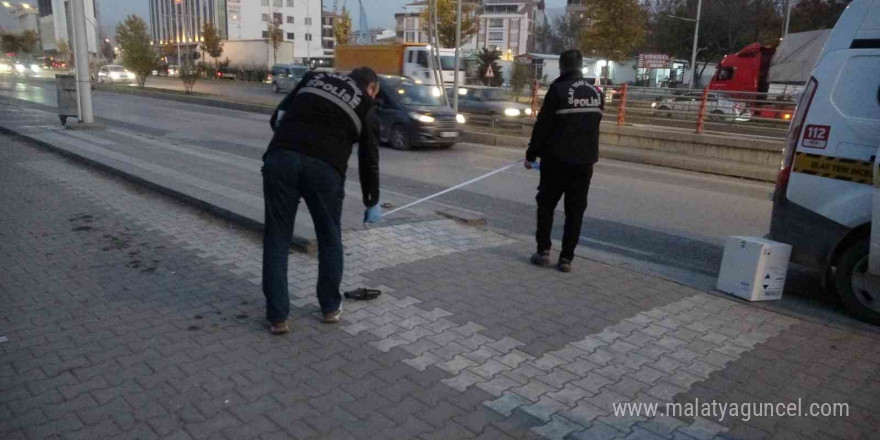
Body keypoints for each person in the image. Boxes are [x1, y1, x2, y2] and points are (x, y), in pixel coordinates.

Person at [262, 67, 382, 334]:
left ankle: (278, 317)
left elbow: (276, 118)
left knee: (277, 238)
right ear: (371, 88)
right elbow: (368, 159)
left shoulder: (314, 77)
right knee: (329, 239)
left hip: (281, 158)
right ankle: (329, 308)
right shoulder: (367, 104)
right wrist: (371, 200)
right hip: (325, 170)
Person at [524, 50, 603, 273]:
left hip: (557, 161)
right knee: (575, 211)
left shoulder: (558, 90)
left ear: (561, 67)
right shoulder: (596, 92)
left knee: (546, 205)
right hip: (585, 163)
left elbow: (543, 126)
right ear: (580, 66)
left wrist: (531, 155)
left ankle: (543, 252)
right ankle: (566, 259)